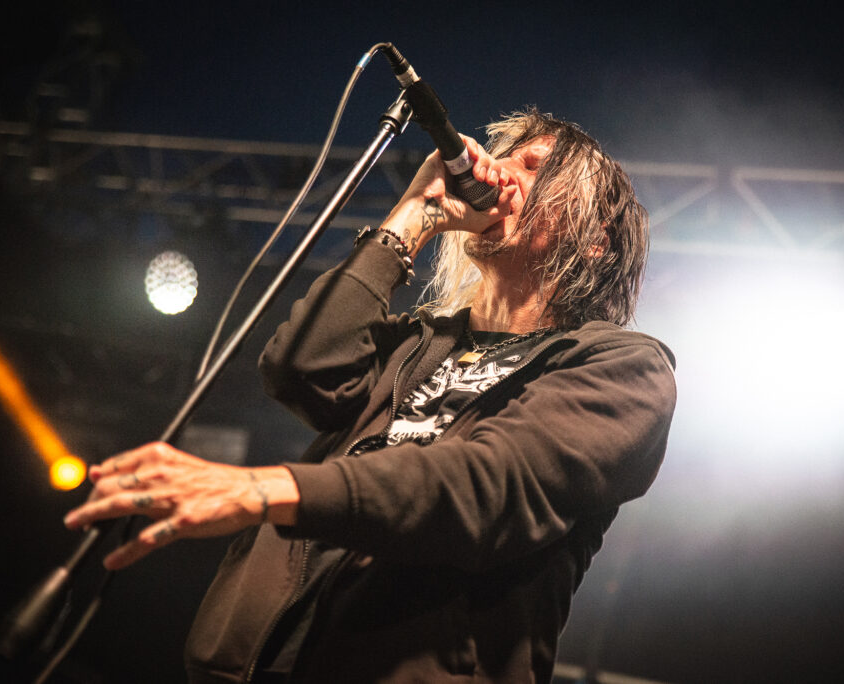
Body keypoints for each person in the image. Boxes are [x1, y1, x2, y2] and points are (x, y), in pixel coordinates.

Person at [64, 108, 677, 683]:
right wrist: (414, 213)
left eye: (534, 167)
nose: (498, 173)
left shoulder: (623, 368)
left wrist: (260, 489)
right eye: (504, 157)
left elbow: (486, 488)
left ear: (594, 239)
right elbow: (300, 369)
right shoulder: (418, 340)